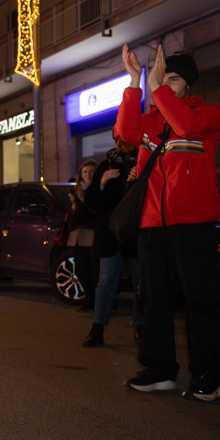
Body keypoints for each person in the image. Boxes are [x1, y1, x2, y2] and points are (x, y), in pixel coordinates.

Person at [115, 43, 220, 401]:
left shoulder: (210, 115)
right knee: (155, 299)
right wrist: (135, 83)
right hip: (152, 224)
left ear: (187, 85)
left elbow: (185, 123)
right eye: (164, 78)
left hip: (193, 222)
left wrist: (158, 89)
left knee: (201, 300)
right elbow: (125, 131)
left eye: (173, 79)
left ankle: (209, 376)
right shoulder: (153, 122)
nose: (165, 83)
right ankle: (160, 370)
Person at [81, 136, 142, 347]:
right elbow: (91, 203)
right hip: (110, 234)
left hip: (135, 232)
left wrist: (139, 180)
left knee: (140, 282)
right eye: (120, 138)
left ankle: (140, 324)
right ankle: (97, 328)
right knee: (106, 281)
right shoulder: (107, 164)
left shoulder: (144, 160)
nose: (123, 143)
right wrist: (101, 182)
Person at [64, 159, 98, 310]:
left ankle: (98, 302)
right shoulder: (77, 190)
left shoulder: (98, 189)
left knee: (94, 271)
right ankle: (89, 300)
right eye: (85, 172)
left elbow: (95, 211)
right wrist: (73, 204)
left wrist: (83, 200)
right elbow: (72, 216)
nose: (88, 175)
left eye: (91, 172)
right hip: (77, 235)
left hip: (91, 235)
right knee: (81, 271)